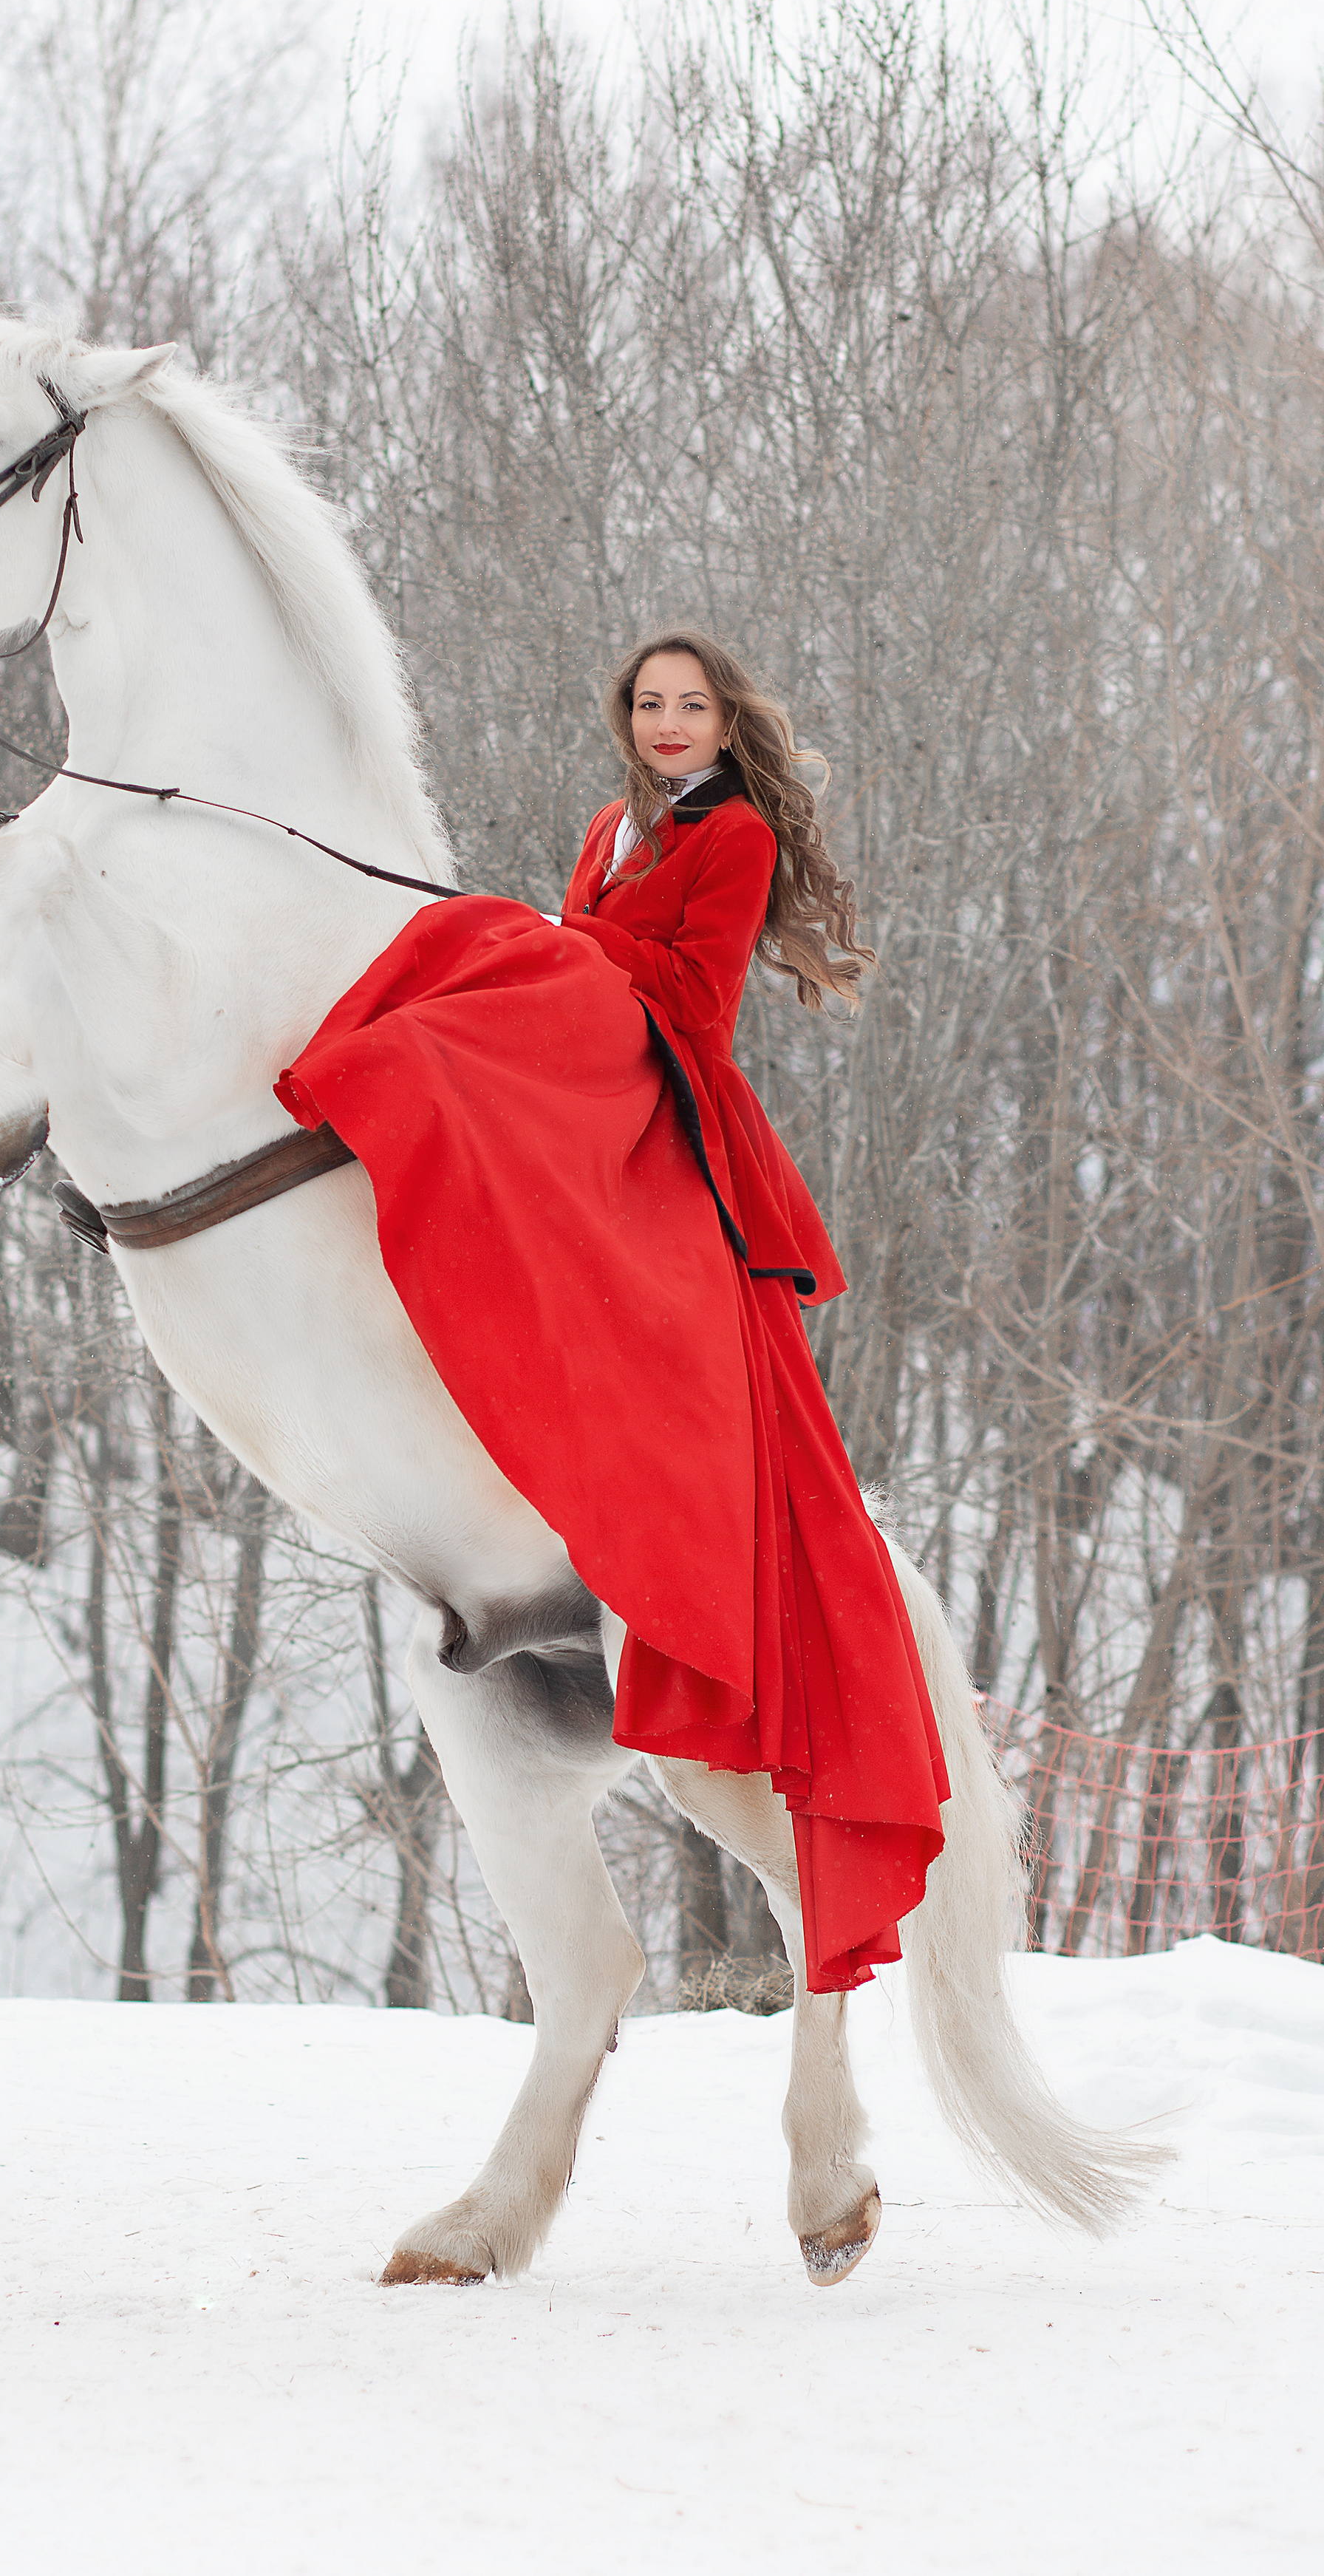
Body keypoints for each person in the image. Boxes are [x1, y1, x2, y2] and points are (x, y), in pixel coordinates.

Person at [277, 626, 949, 1990]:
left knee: (470, 973)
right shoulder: (610, 825)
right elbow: (590, 943)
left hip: (660, 1065)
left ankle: (374, 1103)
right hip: (592, 1028)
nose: (669, 723)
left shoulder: (735, 836)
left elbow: (697, 996)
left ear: (726, 722)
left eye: (691, 705)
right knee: (461, 946)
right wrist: (554, 939)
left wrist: (561, 946)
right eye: (650, 705)